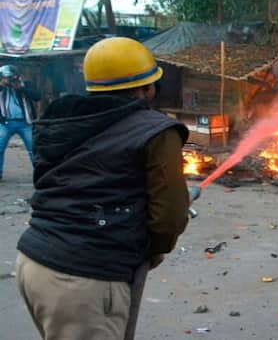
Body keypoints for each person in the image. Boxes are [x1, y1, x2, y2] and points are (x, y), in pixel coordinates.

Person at [15, 37, 191, 340]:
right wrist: (155, 250)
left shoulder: (62, 117)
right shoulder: (155, 130)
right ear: (148, 88)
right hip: (85, 279)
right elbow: (169, 217)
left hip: (32, 261)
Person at [0, 64, 41, 180]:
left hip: (25, 123)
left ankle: (39, 173)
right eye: (5, 78)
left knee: (33, 149)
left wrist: (21, 88)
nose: (9, 80)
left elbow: (37, 97)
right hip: (5, 123)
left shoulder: (25, 85)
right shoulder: (2, 87)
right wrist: (2, 85)